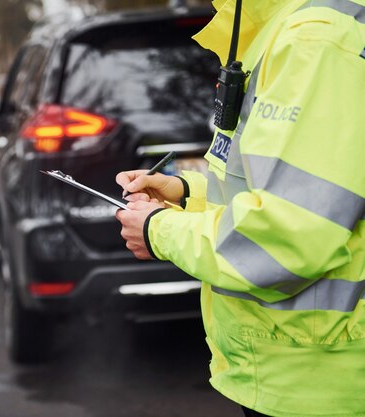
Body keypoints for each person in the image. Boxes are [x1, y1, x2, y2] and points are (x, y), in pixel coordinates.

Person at [114, 0, 365, 416]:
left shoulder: (314, 38)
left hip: (317, 378)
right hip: (305, 366)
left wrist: (159, 230)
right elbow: (294, 187)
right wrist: (184, 194)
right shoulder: (289, 26)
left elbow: (286, 237)